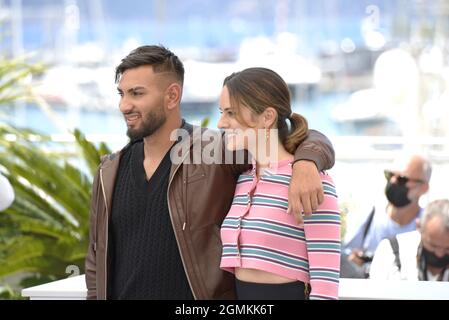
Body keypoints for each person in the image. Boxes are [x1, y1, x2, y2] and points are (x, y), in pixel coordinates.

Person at [85, 45, 336, 300]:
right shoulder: (109, 171)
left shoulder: (218, 151)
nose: (124, 105)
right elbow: (96, 259)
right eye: (121, 94)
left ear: (172, 96)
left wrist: (306, 163)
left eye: (136, 93)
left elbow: (286, 136)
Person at [218, 67, 340, 300]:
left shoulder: (310, 181)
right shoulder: (243, 179)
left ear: (267, 117)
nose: (221, 123)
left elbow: (325, 287)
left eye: (231, 113)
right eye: (222, 112)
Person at [342, 154, 432, 278]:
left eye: (402, 179)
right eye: (389, 175)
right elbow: (344, 259)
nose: (393, 181)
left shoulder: (428, 226)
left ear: (424, 188)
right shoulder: (366, 216)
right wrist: (354, 262)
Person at [370, 199, 449, 281]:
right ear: (419, 227)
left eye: (447, 248)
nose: (440, 254)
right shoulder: (390, 249)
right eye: (433, 246)